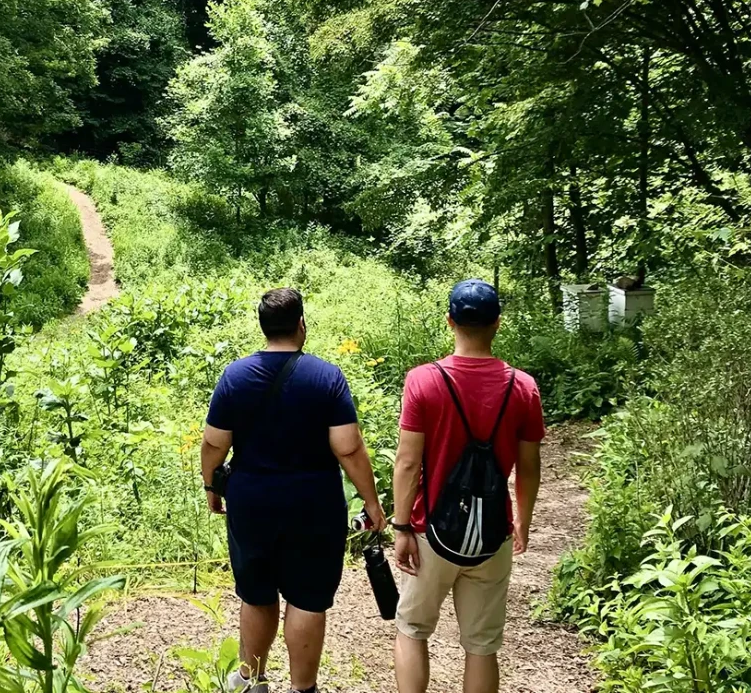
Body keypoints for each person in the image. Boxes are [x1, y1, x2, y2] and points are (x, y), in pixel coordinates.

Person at [201, 288, 386, 693]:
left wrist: (211, 484)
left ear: (263, 327)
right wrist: (371, 502)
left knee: (257, 592)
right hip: (314, 505)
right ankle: (303, 689)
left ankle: (251, 680)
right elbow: (348, 447)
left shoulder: (235, 376)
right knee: (307, 598)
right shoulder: (326, 377)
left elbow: (215, 444)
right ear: (301, 324)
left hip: (252, 503)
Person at [390, 279, 545, 693]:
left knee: (412, 628)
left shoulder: (423, 381)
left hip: (431, 532)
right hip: (492, 533)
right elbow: (529, 466)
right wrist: (523, 521)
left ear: (449, 322)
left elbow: (407, 462)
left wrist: (402, 528)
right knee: (481, 646)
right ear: (497, 324)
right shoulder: (523, 387)